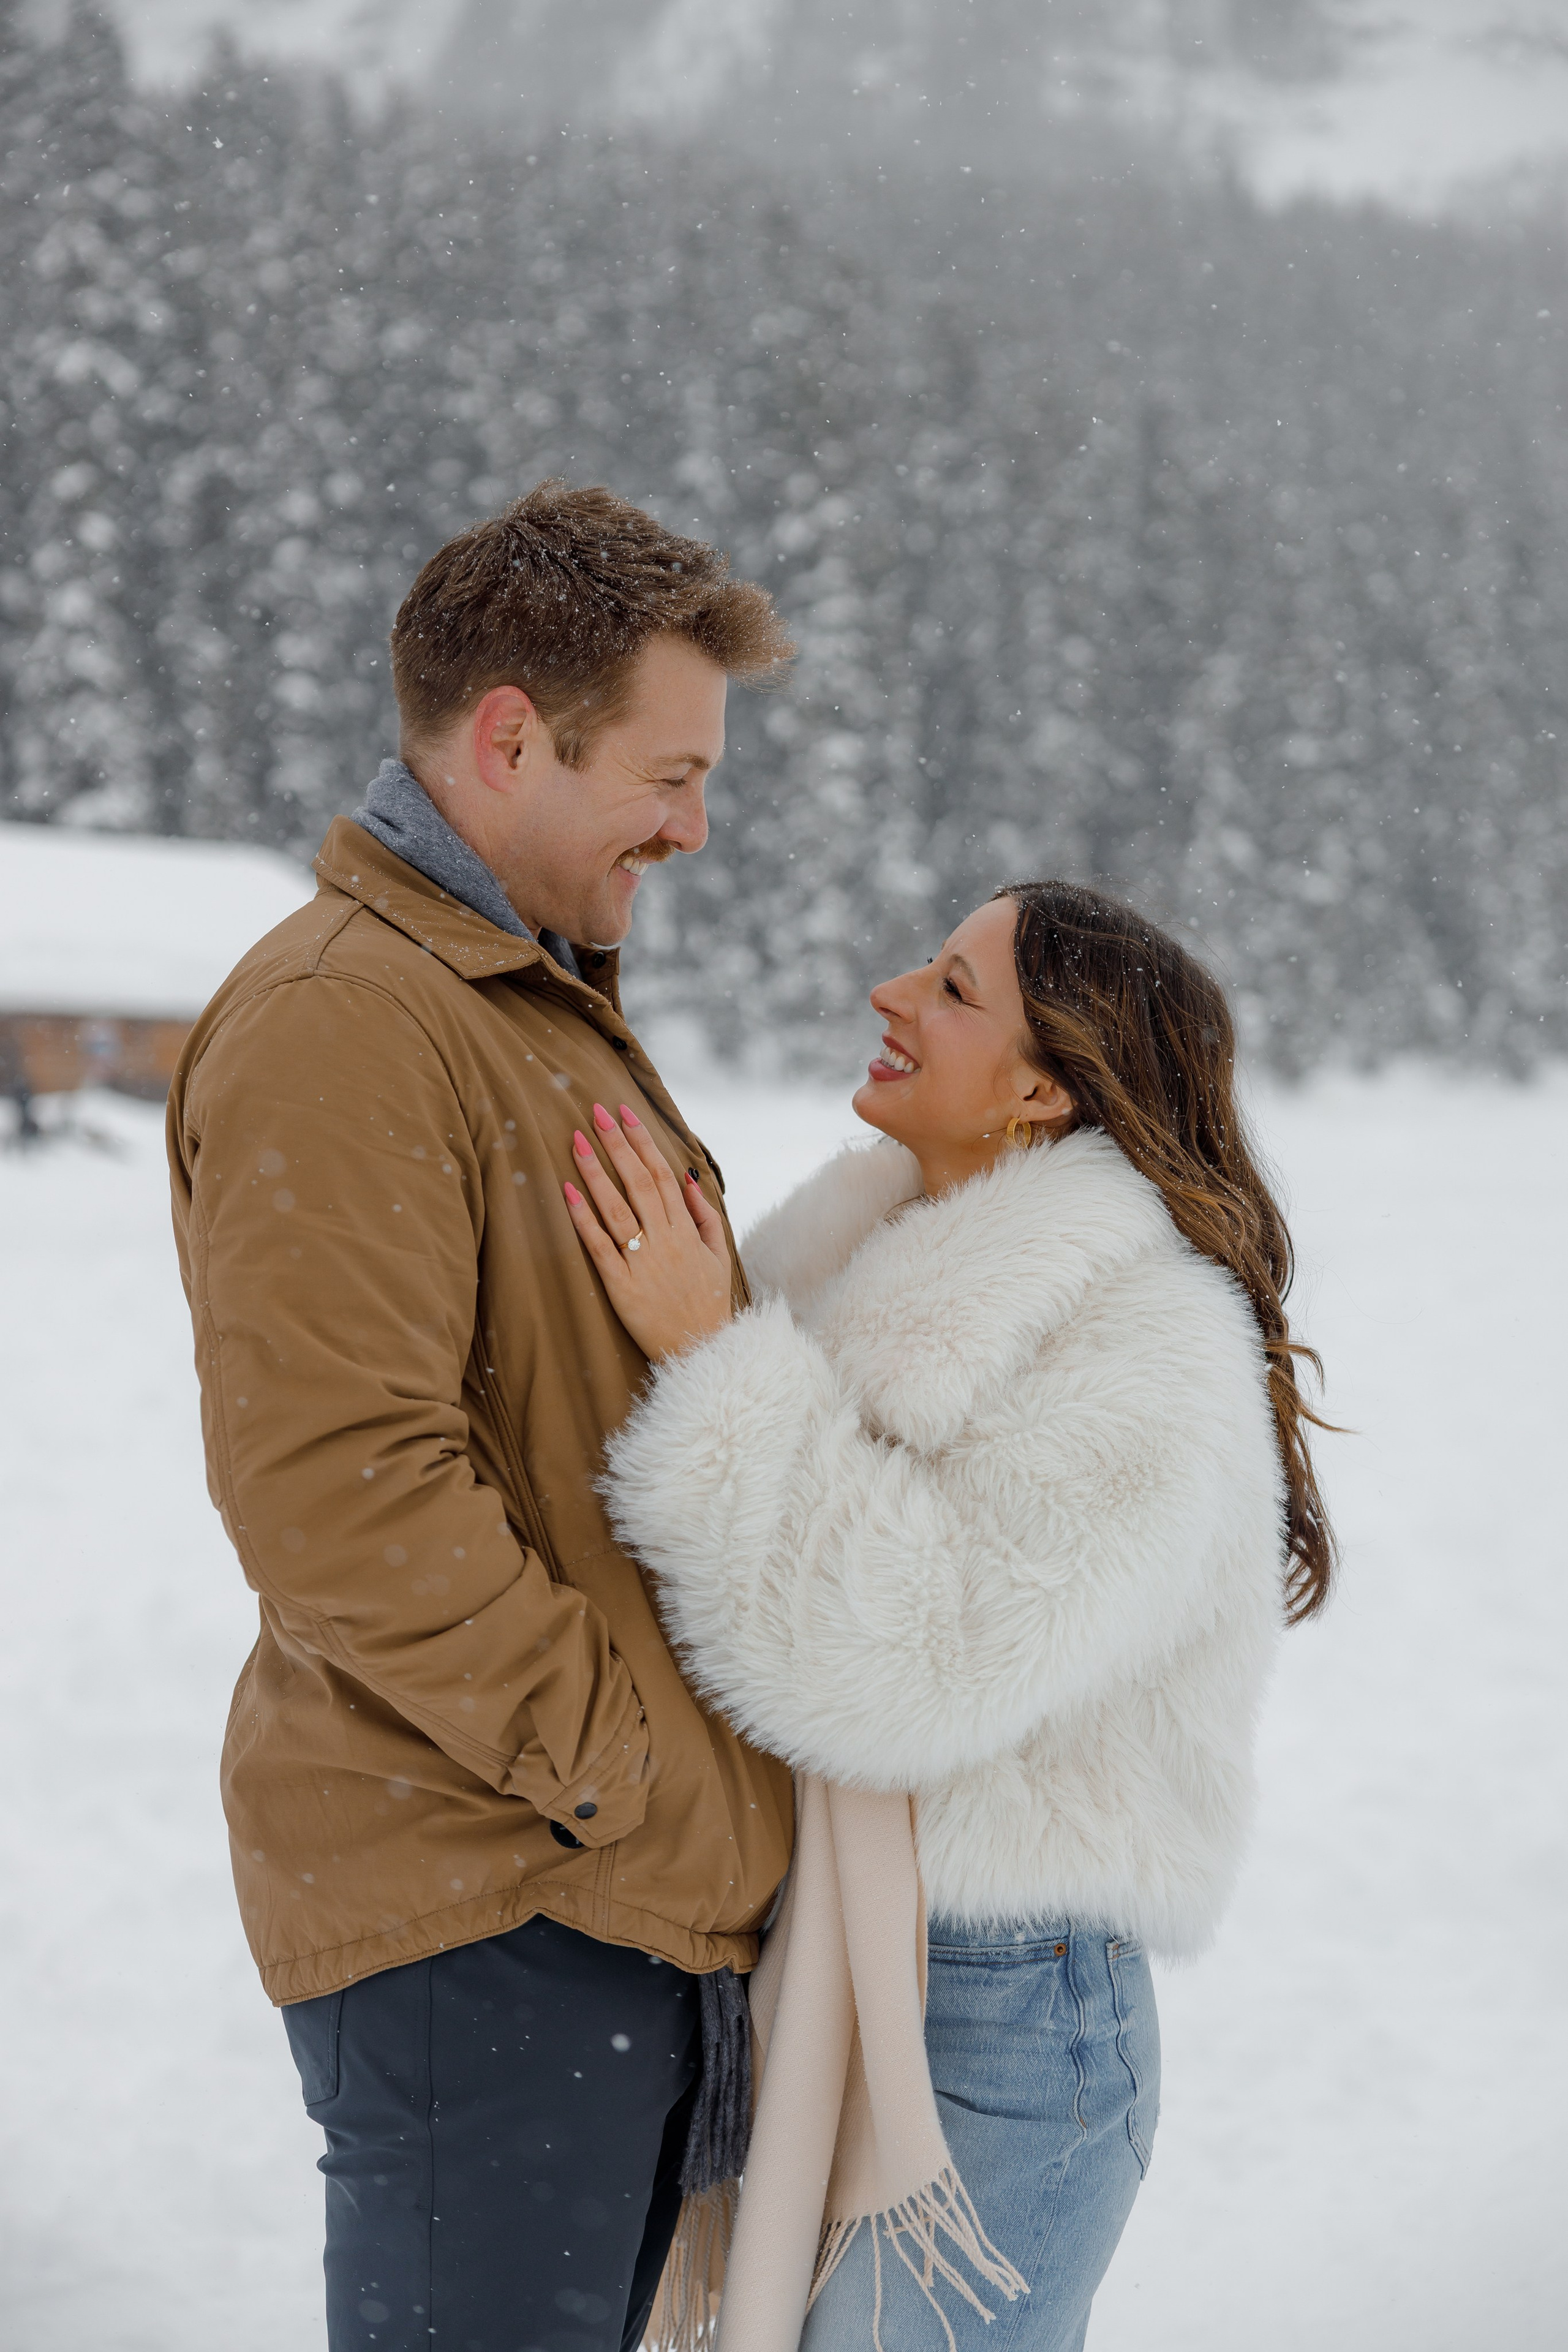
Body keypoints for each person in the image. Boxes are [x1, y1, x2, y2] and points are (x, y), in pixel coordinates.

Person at [166, 482, 797, 2352]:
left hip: (587, 1904)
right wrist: (646, 1785)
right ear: (512, 738)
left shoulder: (514, 1006)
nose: (693, 828)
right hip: (499, 1906)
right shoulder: (349, 1021)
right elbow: (343, 1495)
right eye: (668, 776)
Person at [562, 880, 1335, 2351]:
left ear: (1042, 1089)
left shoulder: (1145, 1338)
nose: (890, 991)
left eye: (953, 987)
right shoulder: (849, 1262)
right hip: (825, 1956)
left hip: (1000, 2006)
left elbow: (919, 1660)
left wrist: (712, 1354)